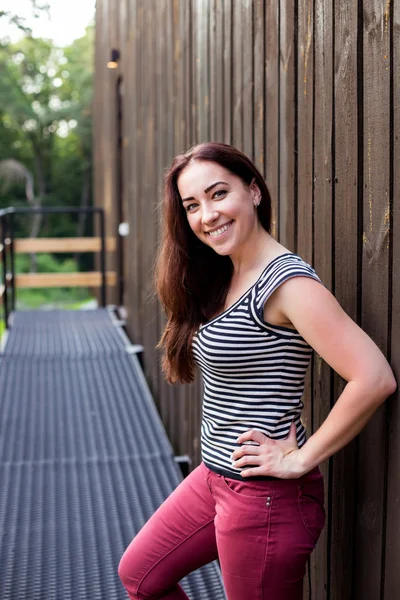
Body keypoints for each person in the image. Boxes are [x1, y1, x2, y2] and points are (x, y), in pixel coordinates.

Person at [118, 142, 397, 600]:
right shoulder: (224, 274)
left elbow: (374, 376)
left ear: (254, 192)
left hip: (264, 501)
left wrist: (300, 458)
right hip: (213, 479)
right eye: (192, 205)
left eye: (218, 194)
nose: (207, 215)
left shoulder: (287, 284)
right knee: (141, 575)